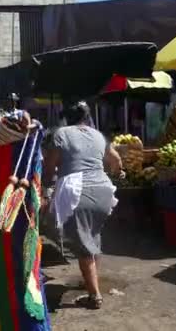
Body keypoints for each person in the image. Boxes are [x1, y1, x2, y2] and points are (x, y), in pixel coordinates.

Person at [43, 101, 122, 309]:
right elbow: (116, 161)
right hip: (104, 189)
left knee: (84, 246)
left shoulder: (61, 133)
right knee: (92, 235)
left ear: (66, 118)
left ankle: (94, 296)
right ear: (87, 117)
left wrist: (45, 185)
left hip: (78, 191)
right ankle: (89, 280)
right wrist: (116, 174)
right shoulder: (98, 135)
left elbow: (49, 166)